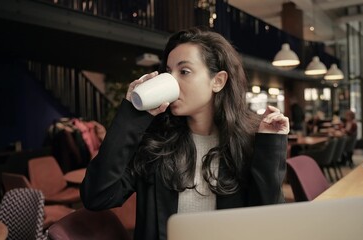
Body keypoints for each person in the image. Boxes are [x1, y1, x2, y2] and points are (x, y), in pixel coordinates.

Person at [80, 27, 289, 240]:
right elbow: (97, 196)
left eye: (184, 71)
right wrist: (132, 115)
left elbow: (268, 219)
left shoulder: (245, 142)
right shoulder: (156, 145)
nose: (173, 81)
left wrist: (270, 145)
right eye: (168, 72)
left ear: (218, 81)